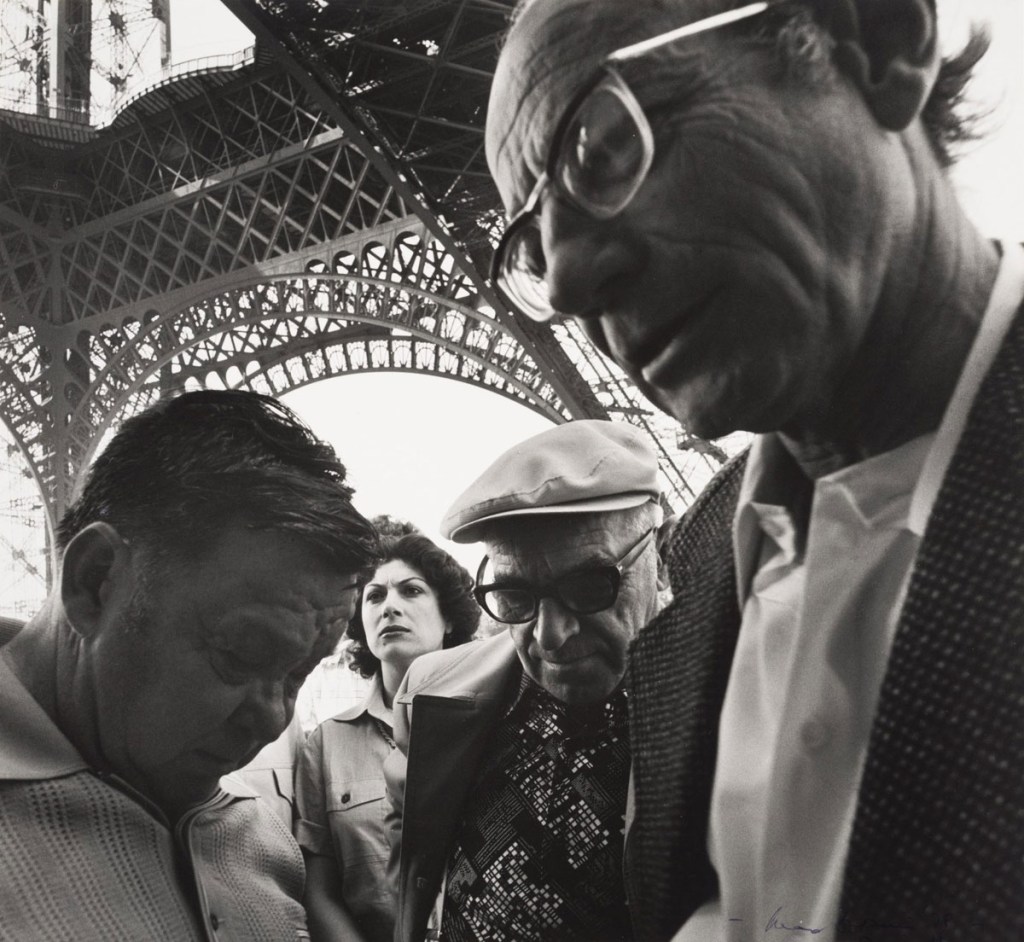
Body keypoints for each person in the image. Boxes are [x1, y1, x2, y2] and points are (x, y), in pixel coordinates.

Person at [484, 2, 1023, 940]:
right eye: (531, 245)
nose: (566, 285)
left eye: (603, 144)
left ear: (878, 41)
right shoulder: (691, 582)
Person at [0, 389, 378, 941]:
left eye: (300, 674)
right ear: (95, 580)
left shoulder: (266, 845)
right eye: (239, 656)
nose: (274, 718)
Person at [385, 420, 671, 942]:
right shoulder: (430, 693)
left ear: (663, 555)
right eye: (515, 596)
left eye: (589, 584)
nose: (551, 634)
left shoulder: (729, 707)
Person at [295, 532, 480, 942]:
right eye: (374, 597)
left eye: (411, 591)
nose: (389, 606)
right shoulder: (327, 744)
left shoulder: (496, 723)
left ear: (449, 617)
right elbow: (318, 889)